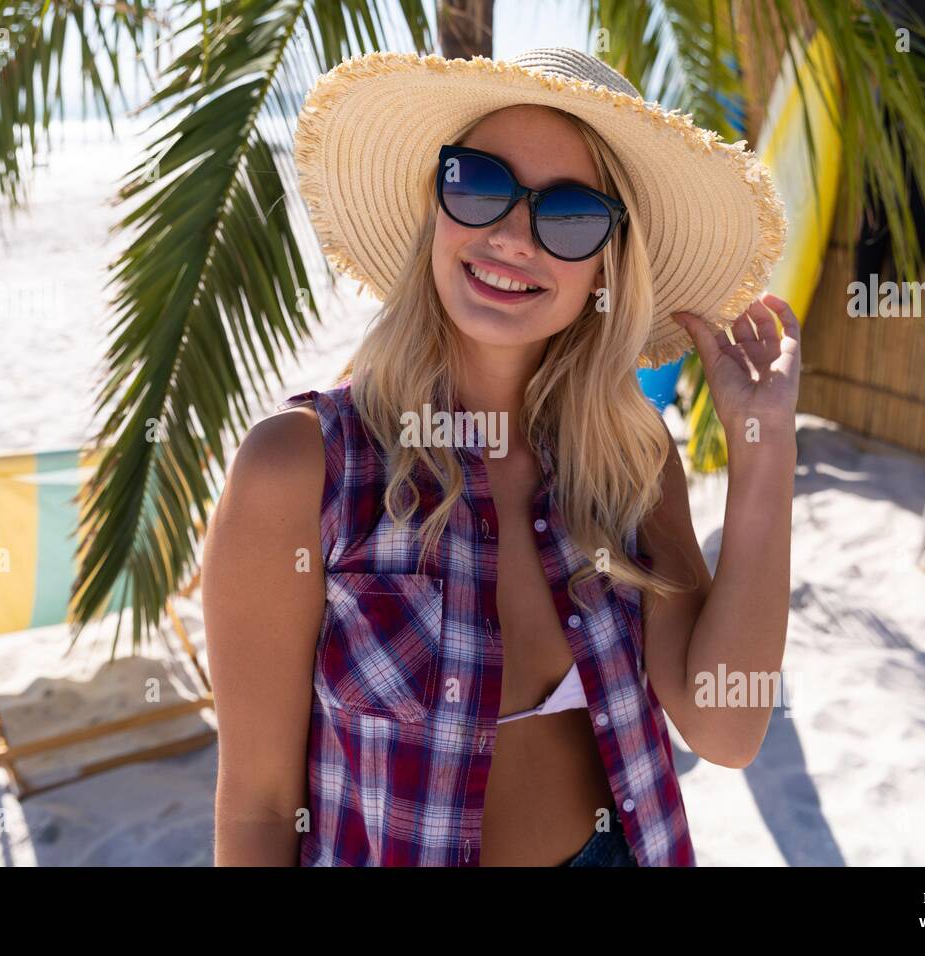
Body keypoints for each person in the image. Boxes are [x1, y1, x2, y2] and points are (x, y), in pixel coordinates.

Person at [204, 47, 799, 866]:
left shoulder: (630, 459)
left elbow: (726, 728)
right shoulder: (304, 470)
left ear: (608, 259)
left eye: (571, 215)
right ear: (436, 204)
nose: (513, 236)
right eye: (479, 184)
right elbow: (260, 807)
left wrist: (762, 447)